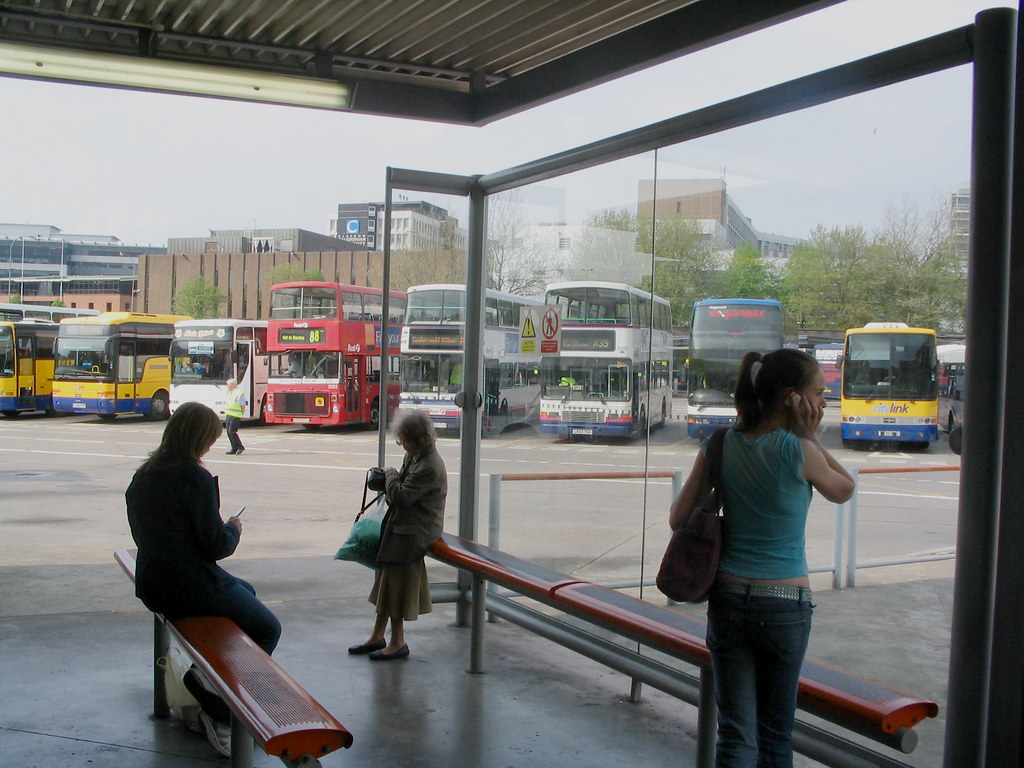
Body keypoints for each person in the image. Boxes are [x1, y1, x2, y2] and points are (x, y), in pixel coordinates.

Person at [669, 348, 854, 768]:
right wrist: (811, 438)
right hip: (785, 607)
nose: (824, 402)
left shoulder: (720, 443)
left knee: (735, 734)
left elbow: (678, 518)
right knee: (775, 736)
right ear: (793, 398)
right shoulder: (799, 450)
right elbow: (844, 489)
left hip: (728, 601)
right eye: (819, 393)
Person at [125, 402, 281, 755]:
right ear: (198, 439)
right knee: (268, 628)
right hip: (188, 584)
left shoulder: (144, 474)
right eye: (210, 438)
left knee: (246, 591)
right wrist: (232, 528)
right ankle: (221, 704)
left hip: (153, 583)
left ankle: (210, 675)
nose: (212, 444)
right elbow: (215, 546)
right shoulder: (195, 478)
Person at [348, 410, 447, 661]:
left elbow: (401, 497)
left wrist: (389, 473)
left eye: (403, 440)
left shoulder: (429, 465)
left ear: (418, 439)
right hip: (404, 525)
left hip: (416, 531)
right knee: (386, 582)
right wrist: (393, 477)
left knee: (395, 586)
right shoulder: (416, 455)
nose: (401, 445)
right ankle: (378, 635)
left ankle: (397, 641)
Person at [223, 378, 245, 455]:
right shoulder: (230, 392)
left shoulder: (239, 393)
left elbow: (242, 404)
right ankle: (234, 448)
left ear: (232, 384)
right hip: (229, 414)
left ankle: (240, 447)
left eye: (228, 385)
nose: (227, 386)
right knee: (228, 433)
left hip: (236, 415)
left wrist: (242, 412)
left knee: (232, 432)